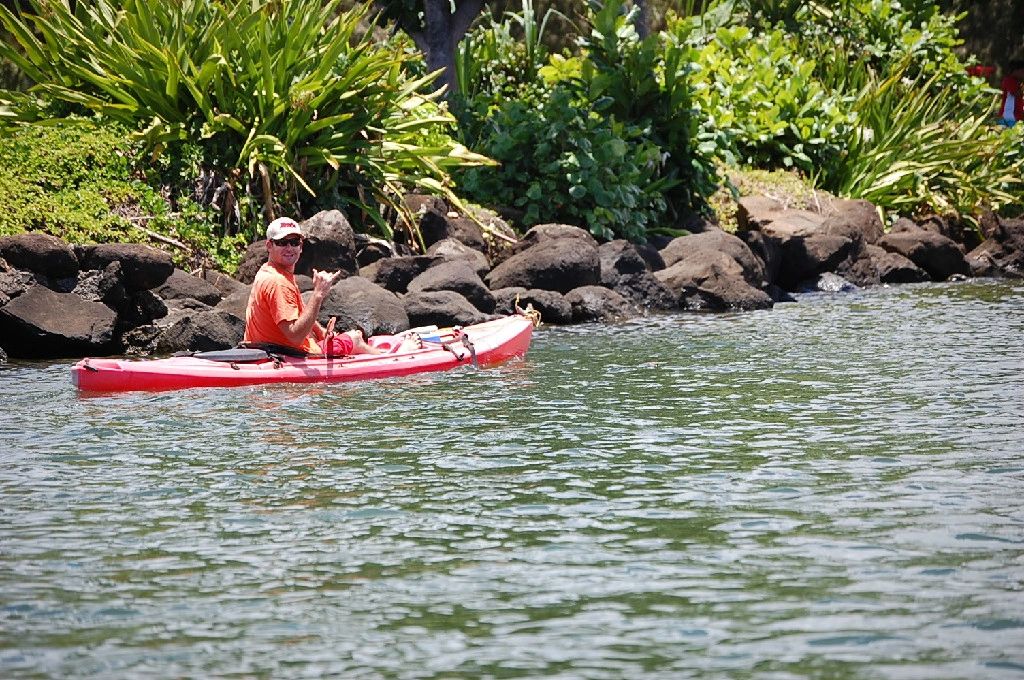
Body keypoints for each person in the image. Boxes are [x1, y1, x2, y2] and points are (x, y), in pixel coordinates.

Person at [243, 217, 381, 356]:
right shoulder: (278, 282)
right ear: (269, 245)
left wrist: (323, 333)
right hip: (288, 355)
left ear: (301, 246)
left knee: (345, 338)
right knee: (355, 338)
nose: (289, 248)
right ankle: (387, 360)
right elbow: (295, 337)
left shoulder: (268, 271)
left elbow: (300, 312)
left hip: (270, 351)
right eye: (282, 242)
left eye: (294, 242)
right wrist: (318, 294)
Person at [999, 59, 1024, 127]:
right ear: (1015, 71)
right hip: (1008, 116)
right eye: (1022, 71)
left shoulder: (1018, 82)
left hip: (1016, 115)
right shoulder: (1009, 80)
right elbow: (1016, 93)